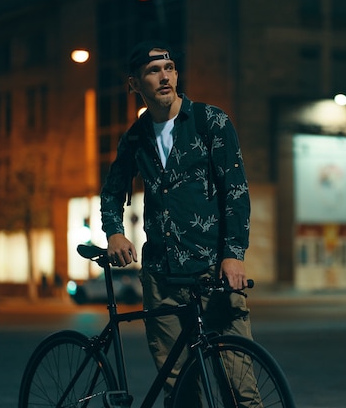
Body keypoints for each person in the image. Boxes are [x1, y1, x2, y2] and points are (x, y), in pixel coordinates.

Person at [100, 40, 253, 406]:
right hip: (161, 279)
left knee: (241, 389)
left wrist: (234, 254)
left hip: (212, 273)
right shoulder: (136, 138)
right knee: (183, 393)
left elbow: (236, 190)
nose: (164, 77)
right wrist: (115, 233)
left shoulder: (209, 121)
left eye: (169, 68)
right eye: (153, 71)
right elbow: (111, 192)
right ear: (135, 84)